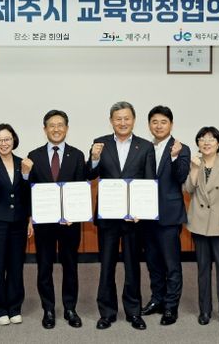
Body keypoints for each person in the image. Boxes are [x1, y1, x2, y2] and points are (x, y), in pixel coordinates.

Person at [86, 101, 156, 331]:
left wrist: (142, 211)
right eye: (118, 119)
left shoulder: (145, 146)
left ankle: (134, 312)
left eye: (127, 118)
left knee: (132, 266)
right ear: (111, 121)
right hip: (108, 217)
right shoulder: (100, 143)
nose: (122, 122)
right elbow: (90, 174)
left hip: (134, 218)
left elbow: (149, 181)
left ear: (133, 120)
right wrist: (94, 158)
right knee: (106, 266)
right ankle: (107, 312)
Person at [25, 110, 86, 329]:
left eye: (60, 125)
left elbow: (80, 188)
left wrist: (75, 214)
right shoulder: (34, 156)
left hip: (70, 224)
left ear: (66, 128)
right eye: (52, 125)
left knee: (70, 266)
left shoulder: (77, 155)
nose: (56, 129)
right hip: (44, 223)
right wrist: (30, 217)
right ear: (45, 129)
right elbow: (29, 189)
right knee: (44, 267)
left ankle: (70, 308)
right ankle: (48, 309)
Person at [185, 126, 219, 329]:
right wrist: (194, 169)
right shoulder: (194, 163)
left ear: (218, 143)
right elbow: (188, 189)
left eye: (211, 139)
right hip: (199, 223)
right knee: (203, 270)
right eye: (202, 139)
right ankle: (205, 310)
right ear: (198, 143)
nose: (206, 142)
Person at [140, 106, 190, 326]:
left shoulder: (181, 148)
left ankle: (171, 306)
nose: (158, 126)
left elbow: (181, 177)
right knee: (153, 263)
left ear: (171, 124)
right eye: (154, 122)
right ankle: (157, 299)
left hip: (169, 216)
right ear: (149, 125)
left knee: (172, 265)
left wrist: (174, 157)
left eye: (163, 122)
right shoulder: (144, 147)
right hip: (146, 215)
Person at [0, 124, 33, 326]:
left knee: (16, 265)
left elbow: (27, 194)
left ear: (14, 140)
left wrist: (30, 219)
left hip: (19, 221)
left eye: (7, 139)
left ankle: (14, 307)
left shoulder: (22, 162)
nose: (4, 143)